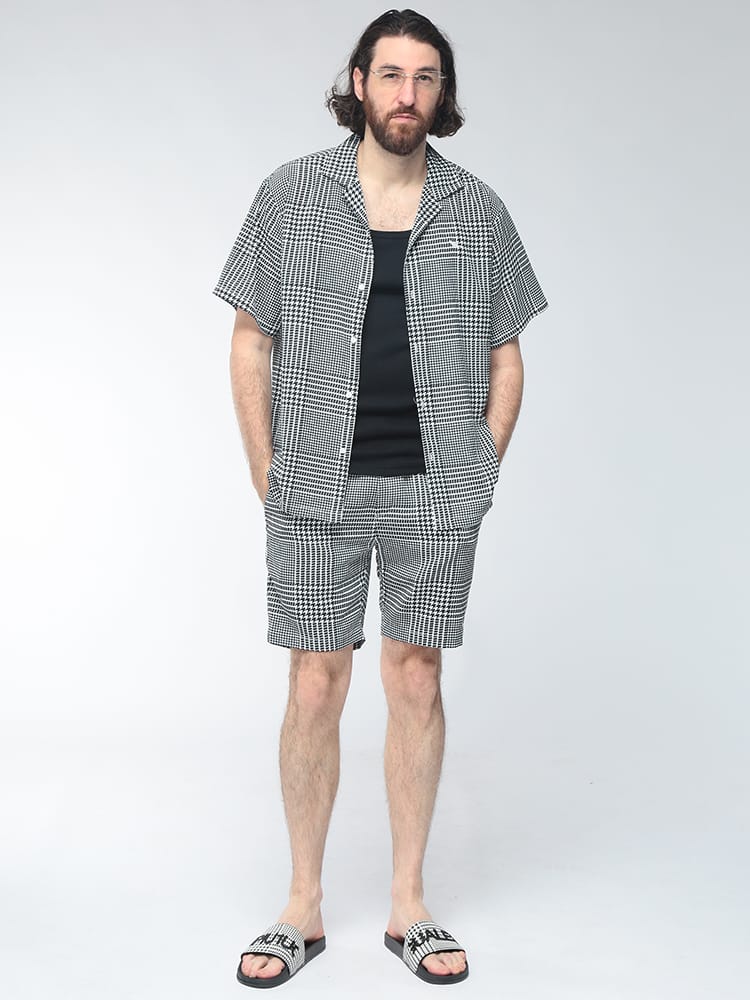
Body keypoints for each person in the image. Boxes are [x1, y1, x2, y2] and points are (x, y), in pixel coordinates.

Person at [213, 8, 548, 988]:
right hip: (314, 486)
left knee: (417, 679)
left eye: (426, 77)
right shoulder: (291, 196)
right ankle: (302, 907)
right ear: (358, 83)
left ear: (442, 94)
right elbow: (250, 337)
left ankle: (409, 905)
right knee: (315, 684)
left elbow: (508, 354)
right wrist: (266, 468)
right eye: (391, 74)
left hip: (436, 490)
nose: (408, 94)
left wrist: (478, 471)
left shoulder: (478, 211)